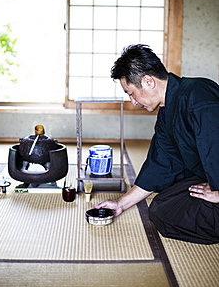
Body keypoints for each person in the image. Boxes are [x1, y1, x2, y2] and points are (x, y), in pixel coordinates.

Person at [93, 44, 219, 244]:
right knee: (161, 208)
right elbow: (161, 163)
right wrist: (121, 204)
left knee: (200, 216)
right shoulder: (167, 110)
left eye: (131, 93)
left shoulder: (199, 97)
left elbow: (215, 148)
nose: (133, 101)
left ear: (148, 81)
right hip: (210, 177)